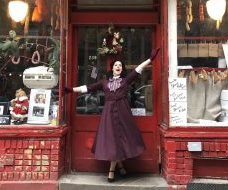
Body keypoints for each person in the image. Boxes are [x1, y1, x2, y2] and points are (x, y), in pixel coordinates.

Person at [63, 48, 160, 182]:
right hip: (108, 114)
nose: (118, 67)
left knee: (121, 139)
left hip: (123, 113)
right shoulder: (104, 83)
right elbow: (88, 88)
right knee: (113, 140)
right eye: (116, 65)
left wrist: (150, 59)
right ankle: (119, 167)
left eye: (120, 65)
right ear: (112, 68)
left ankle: (112, 170)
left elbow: (138, 70)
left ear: (122, 69)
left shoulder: (125, 81)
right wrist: (71, 90)